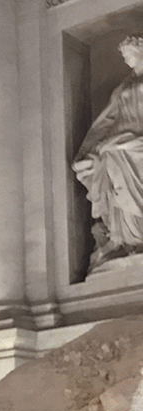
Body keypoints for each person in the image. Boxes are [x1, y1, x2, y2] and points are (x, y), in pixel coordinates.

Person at [73, 34, 143, 267]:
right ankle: (128, 238)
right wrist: (92, 147)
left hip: (138, 140)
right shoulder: (124, 86)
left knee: (116, 151)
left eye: (128, 54)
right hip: (121, 141)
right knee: (106, 157)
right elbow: (108, 119)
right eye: (123, 55)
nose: (125, 59)